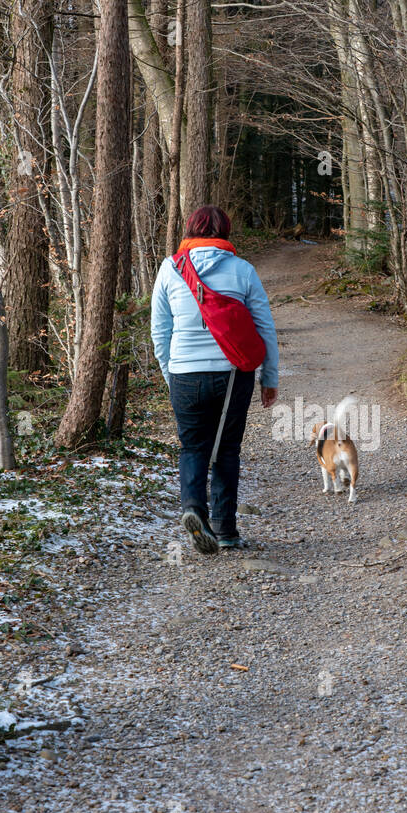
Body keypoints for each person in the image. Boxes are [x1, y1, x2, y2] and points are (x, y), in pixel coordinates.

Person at [151, 205, 279, 554]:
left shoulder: (169, 269)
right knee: (227, 449)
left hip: (184, 373)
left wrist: (170, 373)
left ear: (190, 230)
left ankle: (193, 508)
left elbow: (160, 331)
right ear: (225, 232)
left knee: (193, 447)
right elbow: (264, 326)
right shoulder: (243, 270)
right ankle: (225, 531)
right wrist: (270, 376)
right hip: (233, 374)